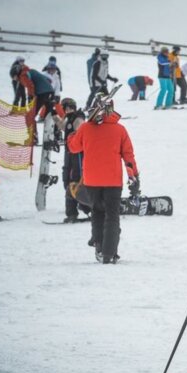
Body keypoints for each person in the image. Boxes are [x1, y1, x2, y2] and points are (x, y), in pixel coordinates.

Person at [67, 97, 138, 264]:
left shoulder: (85, 128)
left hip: (92, 180)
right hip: (113, 181)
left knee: (97, 213)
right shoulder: (120, 130)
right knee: (112, 216)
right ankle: (109, 253)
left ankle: (99, 246)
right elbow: (128, 156)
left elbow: (73, 147)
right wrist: (133, 176)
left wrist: (72, 135)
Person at [60, 98, 91, 223]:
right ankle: (77, 208)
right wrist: (54, 115)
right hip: (70, 152)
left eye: (66, 107)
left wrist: (75, 138)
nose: (65, 110)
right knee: (67, 178)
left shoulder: (78, 118)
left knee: (76, 179)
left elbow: (81, 132)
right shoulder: (70, 118)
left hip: (77, 153)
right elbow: (63, 127)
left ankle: (79, 210)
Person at [14, 63, 57, 142]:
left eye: (14, 77)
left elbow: (30, 85)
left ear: (16, 74)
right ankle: (55, 135)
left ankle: (33, 137)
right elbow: (48, 80)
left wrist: (31, 96)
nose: (14, 79)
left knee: (30, 116)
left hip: (42, 94)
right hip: (50, 92)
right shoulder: (31, 71)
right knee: (49, 115)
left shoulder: (23, 75)